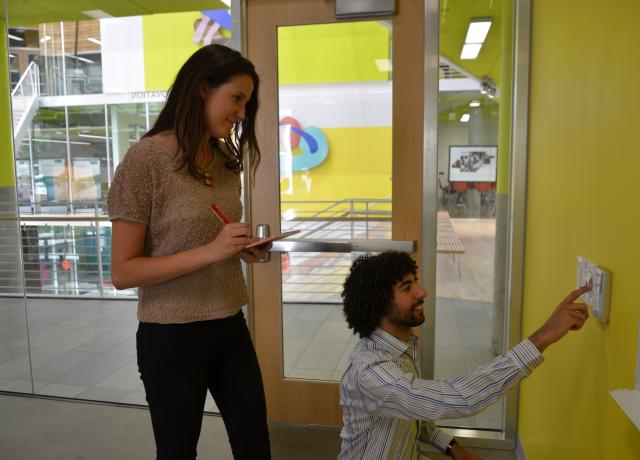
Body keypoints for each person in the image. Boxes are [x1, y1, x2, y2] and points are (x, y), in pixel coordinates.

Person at [108, 44, 271, 460]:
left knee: (255, 446)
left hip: (230, 323)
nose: (241, 112)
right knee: (178, 452)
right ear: (201, 89)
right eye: (236, 98)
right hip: (171, 335)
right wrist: (213, 251)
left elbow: (210, 240)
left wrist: (240, 249)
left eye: (246, 103)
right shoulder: (145, 160)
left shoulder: (222, 158)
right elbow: (123, 272)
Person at [339, 251, 591, 460]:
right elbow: (456, 398)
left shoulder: (400, 352)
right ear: (380, 303)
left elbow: (416, 414)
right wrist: (543, 337)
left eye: (416, 281)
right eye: (408, 288)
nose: (422, 291)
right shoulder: (371, 371)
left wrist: (454, 448)